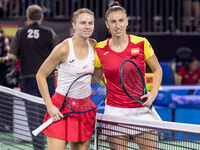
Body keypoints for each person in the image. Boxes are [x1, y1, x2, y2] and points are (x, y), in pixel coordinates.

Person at [94, 1, 163, 150]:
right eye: (113, 21)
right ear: (107, 24)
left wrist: (153, 93)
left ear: (126, 21)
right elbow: (96, 77)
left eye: (121, 20)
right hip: (114, 111)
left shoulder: (141, 43)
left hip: (141, 108)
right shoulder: (99, 48)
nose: (117, 25)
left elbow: (157, 69)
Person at [36, 8, 96, 150]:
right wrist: (50, 106)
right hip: (61, 106)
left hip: (84, 108)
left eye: (90, 23)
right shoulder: (63, 48)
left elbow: (94, 75)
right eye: (82, 23)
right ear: (74, 25)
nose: (87, 26)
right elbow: (41, 75)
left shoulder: (94, 45)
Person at [7, 4, 59, 150]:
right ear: (42, 17)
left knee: (32, 115)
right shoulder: (50, 32)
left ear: (27, 17)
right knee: (47, 112)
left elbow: (11, 56)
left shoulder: (20, 32)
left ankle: (38, 147)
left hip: (28, 78)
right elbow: (59, 54)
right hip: (47, 79)